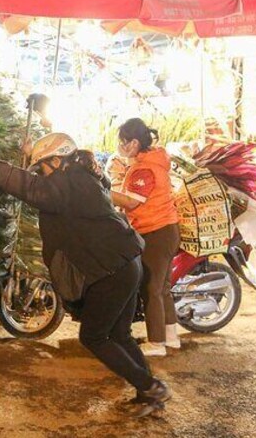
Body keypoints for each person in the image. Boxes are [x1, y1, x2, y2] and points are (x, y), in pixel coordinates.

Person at [0, 133, 171, 417]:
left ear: (58, 161)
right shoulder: (82, 175)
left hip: (111, 269)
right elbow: (39, 184)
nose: (43, 175)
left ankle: (150, 386)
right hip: (125, 262)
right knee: (119, 334)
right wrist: (30, 152)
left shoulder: (68, 182)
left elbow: (31, 188)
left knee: (93, 336)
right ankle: (148, 392)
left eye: (44, 168)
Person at [111, 118, 181, 358]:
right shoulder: (152, 161)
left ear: (134, 142)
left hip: (155, 231)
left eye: (123, 142)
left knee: (151, 288)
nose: (120, 146)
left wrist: (103, 194)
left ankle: (156, 343)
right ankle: (170, 337)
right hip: (166, 229)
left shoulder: (145, 168)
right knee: (162, 288)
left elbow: (132, 201)